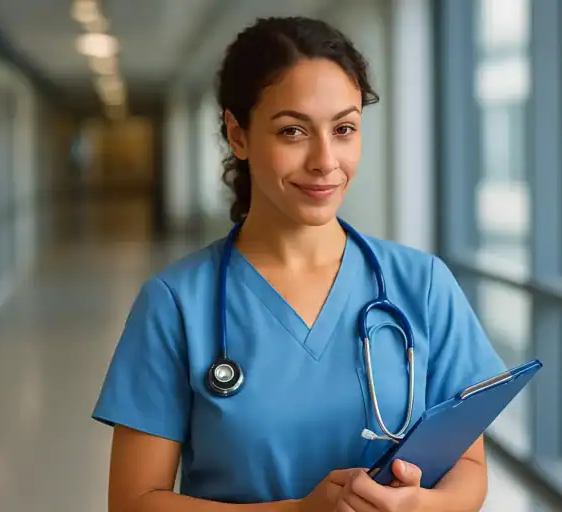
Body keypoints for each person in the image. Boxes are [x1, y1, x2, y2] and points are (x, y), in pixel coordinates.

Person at [91, 15, 506, 512]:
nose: (325, 160)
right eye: (293, 131)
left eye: (345, 128)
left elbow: (469, 470)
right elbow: (134, 502)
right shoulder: (177, 303)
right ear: (238, 135)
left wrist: (417, 507)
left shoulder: (423, 284)